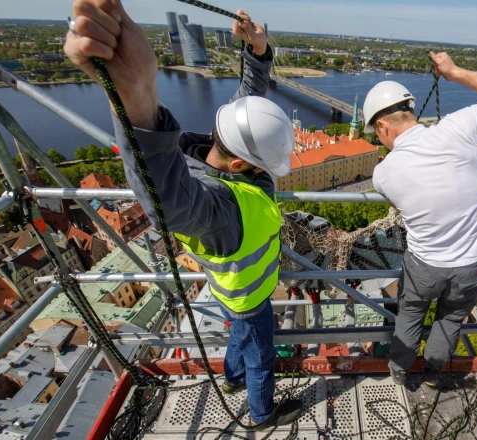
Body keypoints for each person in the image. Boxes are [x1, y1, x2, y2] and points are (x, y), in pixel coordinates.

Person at [64, 0, 302, 429]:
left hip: (235, 293)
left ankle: (231, 379)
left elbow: (247, 111)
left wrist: (258, 53)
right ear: (239, 166)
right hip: (249, 296)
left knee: (239, 338)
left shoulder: (218, 157)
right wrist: (136, 97)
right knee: (260, 355)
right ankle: (263, 413)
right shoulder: (216, 205)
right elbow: (167, 200)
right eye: (264, 165)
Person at [363, 52, 477, 386]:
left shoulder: (384, 173)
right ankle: (436, 371)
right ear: (408, 110)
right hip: (470, 262)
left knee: (409, 316)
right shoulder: (459, 126)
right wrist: (453, 72)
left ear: (382, 126)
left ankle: (399, 370)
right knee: (450, 320)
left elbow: (403, 202)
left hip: (425, 264)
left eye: (377, 133)